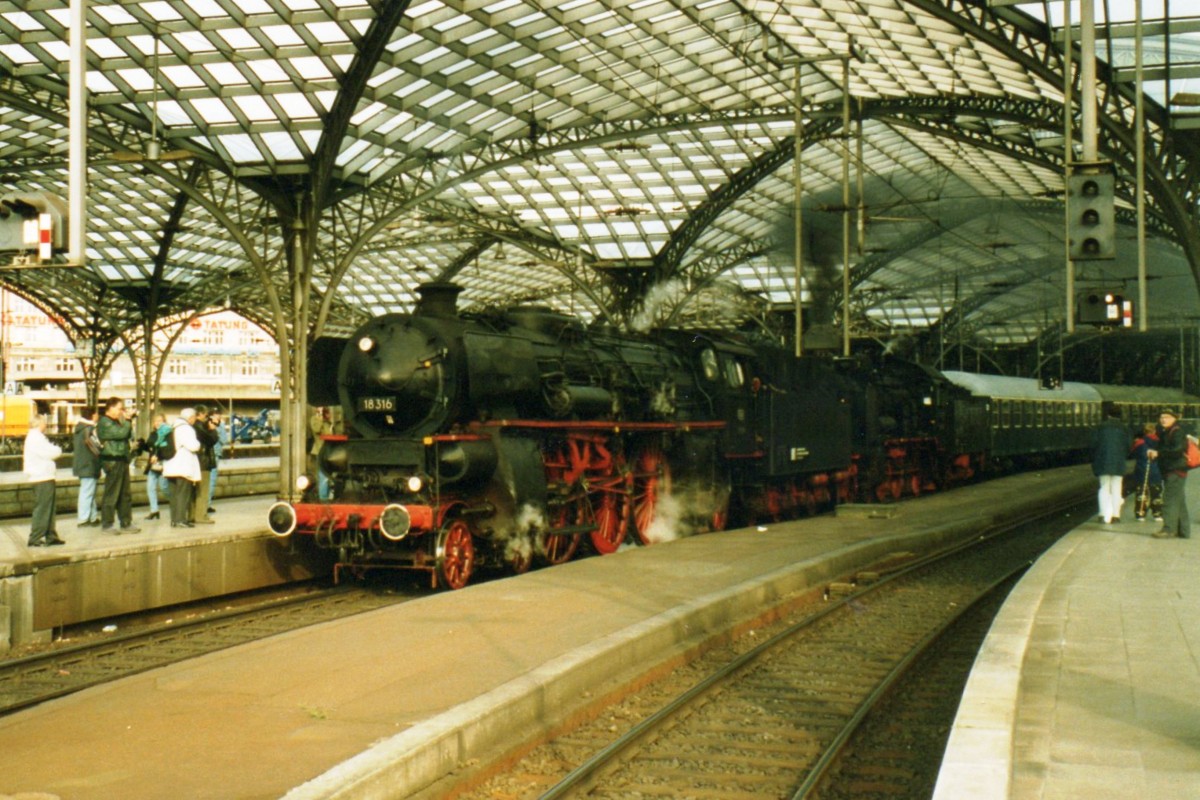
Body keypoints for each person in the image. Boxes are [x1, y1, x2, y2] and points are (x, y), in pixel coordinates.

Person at [96, 397, 140, 534]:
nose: (121, 411)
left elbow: (128, 434)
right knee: (112, 493)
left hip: (121, 458)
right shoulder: (104, 422)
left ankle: (126, 522)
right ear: (111, 407)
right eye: (120, 408)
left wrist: (128, 420)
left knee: (125, 494)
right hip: (112, 460)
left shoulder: (117, 421)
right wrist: (127, 420)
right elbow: (121, 433)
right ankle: (107, 524)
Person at [1150, 408, 1190, 539]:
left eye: (1166, 417)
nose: (1163, 419)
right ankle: (1184, 530)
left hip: (1175, 469)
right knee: (1179, 501)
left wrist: (1159, 453)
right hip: (1174, 469)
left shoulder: (1176, 432)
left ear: (1174, 418)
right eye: (1161, 417)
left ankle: (1168, 529)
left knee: (1169, 500)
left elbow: (1178, 449)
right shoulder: (1168, 431)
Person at [24, 416, 64, 547]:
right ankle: (35, 537)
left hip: (45, 476)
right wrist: (58, 450)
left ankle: (51, 535)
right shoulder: (36, 438)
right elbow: (51, 453)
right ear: (39, 423)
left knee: (50, 508)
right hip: (41, 476)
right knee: (43, 508)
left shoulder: (37, 437)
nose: (46, 425)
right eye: (45, 422)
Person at [1091, 401, 1130, 524]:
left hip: (1102, 462)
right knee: (1116, 488)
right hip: (1118, 462)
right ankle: (1116, 516)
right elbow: (1129, 446)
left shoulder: (1099, 427)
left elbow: (1093, 445)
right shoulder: (1125, 428)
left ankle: (1102, 515)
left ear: (1108, 415)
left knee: (1104, 488)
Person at [163, 408, 200, 528]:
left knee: (173, 495)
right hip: (182, 466)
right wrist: (198, 444)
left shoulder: (171, 427)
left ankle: (174, 519)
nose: (194, 421)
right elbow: (193, 446)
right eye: (194, 418)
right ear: (191, 417)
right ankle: (181, 519)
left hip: (169, 465)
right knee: (183, 494)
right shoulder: (186, 428)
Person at [71, 406, 101, 528]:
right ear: (93, 415)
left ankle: (92, 517)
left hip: (82, 464)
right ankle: (83, 519)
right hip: (89, 464)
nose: (98, 416)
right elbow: (97, 446)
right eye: (97, 414)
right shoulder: (90, 429)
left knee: (90, 492)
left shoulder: (80, 428)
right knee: (87, 492)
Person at [1130, 422, 1164, 523]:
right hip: (1156, 471)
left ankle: (1140, 514)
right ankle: (1157, 514)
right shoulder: (1160, 442)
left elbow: (1132, 453)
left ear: (1144, 432)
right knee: (1156, 492)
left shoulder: (1139, 442)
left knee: (1142, 492)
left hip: (1141, 470)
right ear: (1154, 431)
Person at [192, 405, 219, 525]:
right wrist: (212, 429)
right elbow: (210, 440)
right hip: (203, 461)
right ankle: (201, 515)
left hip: (196, 462)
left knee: (195, 490)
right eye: (206, 415)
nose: (207, 417)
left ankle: (193, 514)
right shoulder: (198, 426)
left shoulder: (194, 426)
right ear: (201, 414)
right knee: (203, 490)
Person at [144, 413, 171, 520]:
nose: (157, 423)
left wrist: (157, 455)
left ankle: (176, 502)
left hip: (163, 462)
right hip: (153, 464)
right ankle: (154, 510)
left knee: (164, 487)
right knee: (150, 487)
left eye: (160, 420)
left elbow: (165, 448)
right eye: (156, 421)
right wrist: (143, 445)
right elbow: (150, 446)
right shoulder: (153, 434)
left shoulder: (168, 434)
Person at [309, 406, 334, 500]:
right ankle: (323, 497)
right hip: (320, 450)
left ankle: (327, 495)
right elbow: (317, 429)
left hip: (329, 452)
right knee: (323, 474)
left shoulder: (328, 423)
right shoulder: (314, 419)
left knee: (328, 474)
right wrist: (319, 416)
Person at [207, 411, 229, 514]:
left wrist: (218, 429)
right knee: (210, 481)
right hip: (209, 455)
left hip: (215, 455)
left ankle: (208, 503)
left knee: (212, 481)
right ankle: (207, 505)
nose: (217, 417)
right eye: (214, 415)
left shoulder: (221, 426)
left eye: (218, 415)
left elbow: (224, 440)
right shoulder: (207, 425)